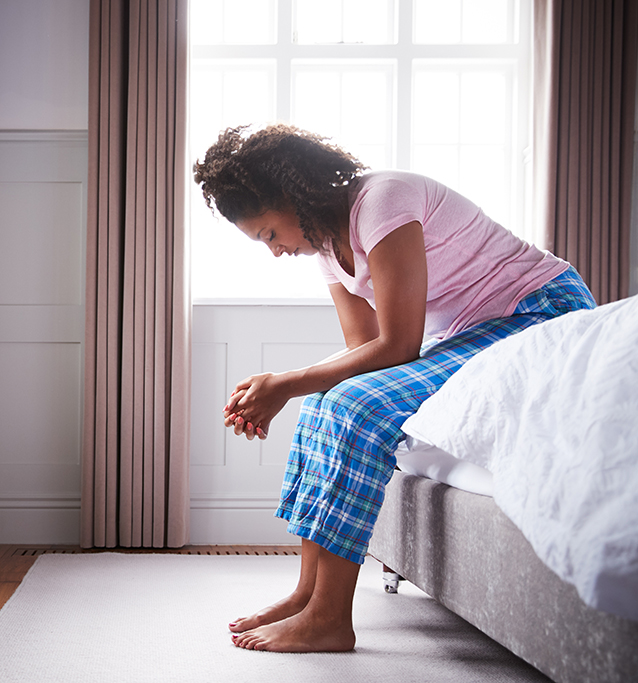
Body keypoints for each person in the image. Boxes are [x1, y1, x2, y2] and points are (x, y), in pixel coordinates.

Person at [193, 123, 596, 653]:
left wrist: (284, 382)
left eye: (270, 234)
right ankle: (307, 595)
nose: (274, 251)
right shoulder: (325, 248)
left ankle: (331, 620)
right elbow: (365, 347)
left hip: (540, 312)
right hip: (476, 332)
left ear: (292, 198)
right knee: (324, 403)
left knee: (354, 411)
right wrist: (285, 389)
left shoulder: (382, 200)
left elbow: (400, 345)